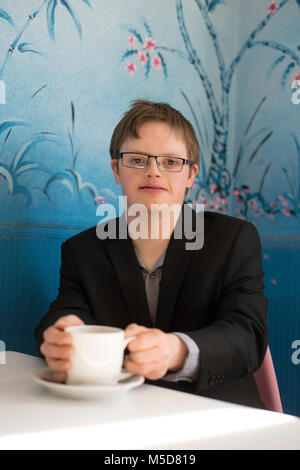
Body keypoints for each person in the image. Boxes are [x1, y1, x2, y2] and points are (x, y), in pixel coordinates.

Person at [35, 99, 268, 409]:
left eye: (171, 162)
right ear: (117, 169)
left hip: (218, 416)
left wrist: (176, 350)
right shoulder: (83, 251)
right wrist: (59, 336)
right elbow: (63, 313)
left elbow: (247, 335)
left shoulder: (234, 239)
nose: (153, 171)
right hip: (117, 415)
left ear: (191, 176)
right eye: (137, 160)